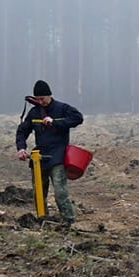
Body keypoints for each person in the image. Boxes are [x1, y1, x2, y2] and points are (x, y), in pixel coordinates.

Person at [14, 80, 84, 225]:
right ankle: (42, 218)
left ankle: (68, 221)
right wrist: (21, 148)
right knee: (39, 191)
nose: (40, 101)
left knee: (60, 191)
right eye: (37, 99)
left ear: (49, 95)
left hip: (58, 155)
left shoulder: (62, 108)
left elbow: (78, 118)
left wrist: (55, 122)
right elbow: (22, 131)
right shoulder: (34, 113)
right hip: (39, 157)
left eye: (42, 98)